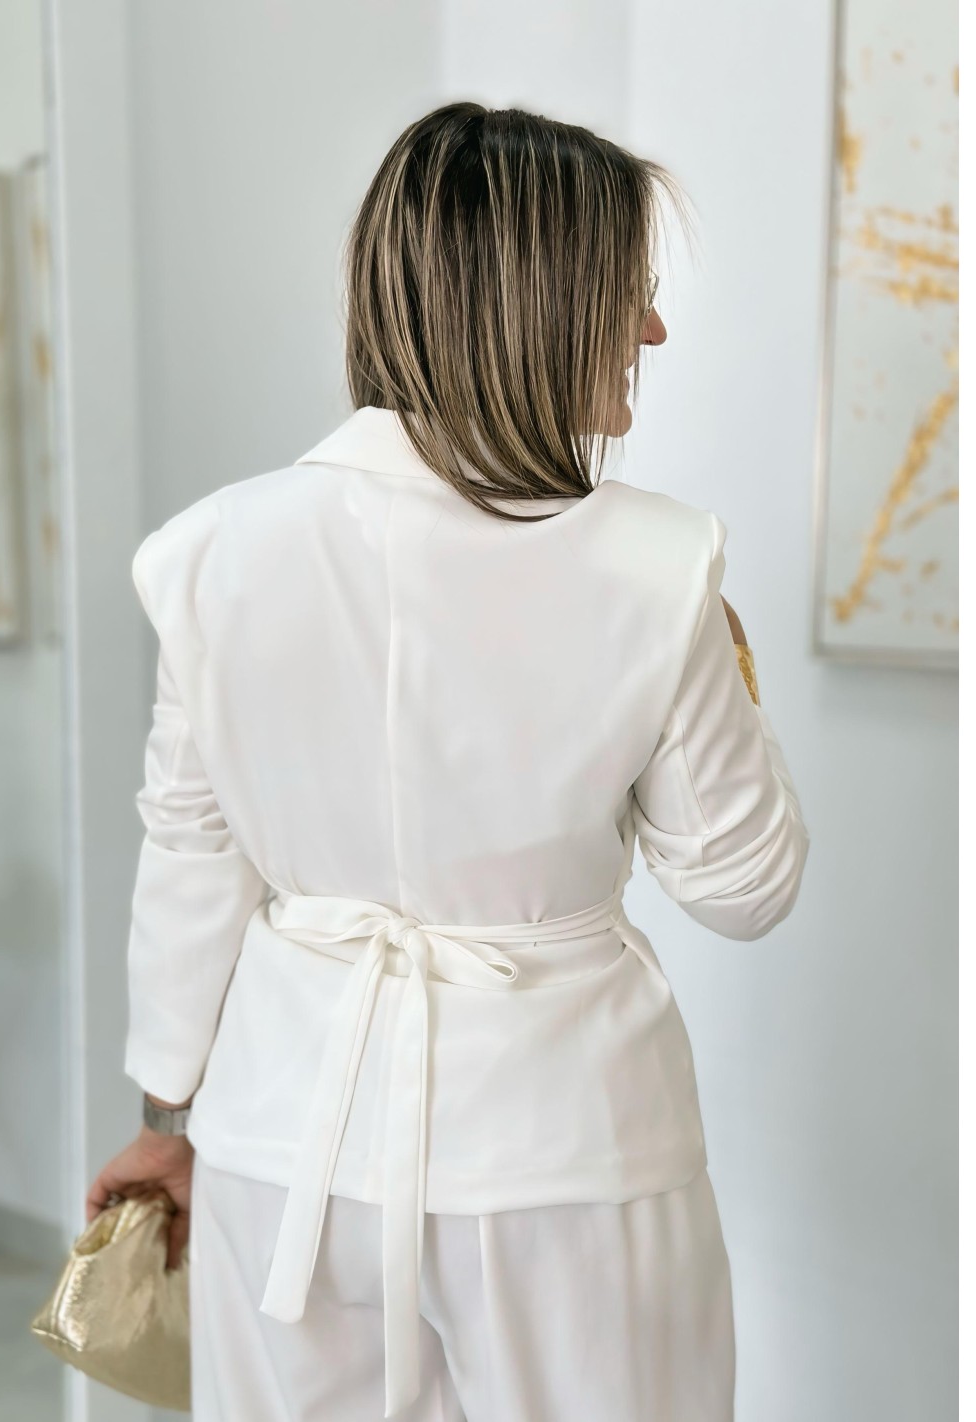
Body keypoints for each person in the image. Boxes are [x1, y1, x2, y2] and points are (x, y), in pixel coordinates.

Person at [87, 102, 810, 1422]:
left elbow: (191, 851)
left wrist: (166, 1120)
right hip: (566, 1150)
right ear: (538, 302)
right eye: (630, 292)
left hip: (280, 1146)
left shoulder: (210, 552)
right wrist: (726, 657)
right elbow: (743, 887)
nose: (652, 331)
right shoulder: (661, 566)